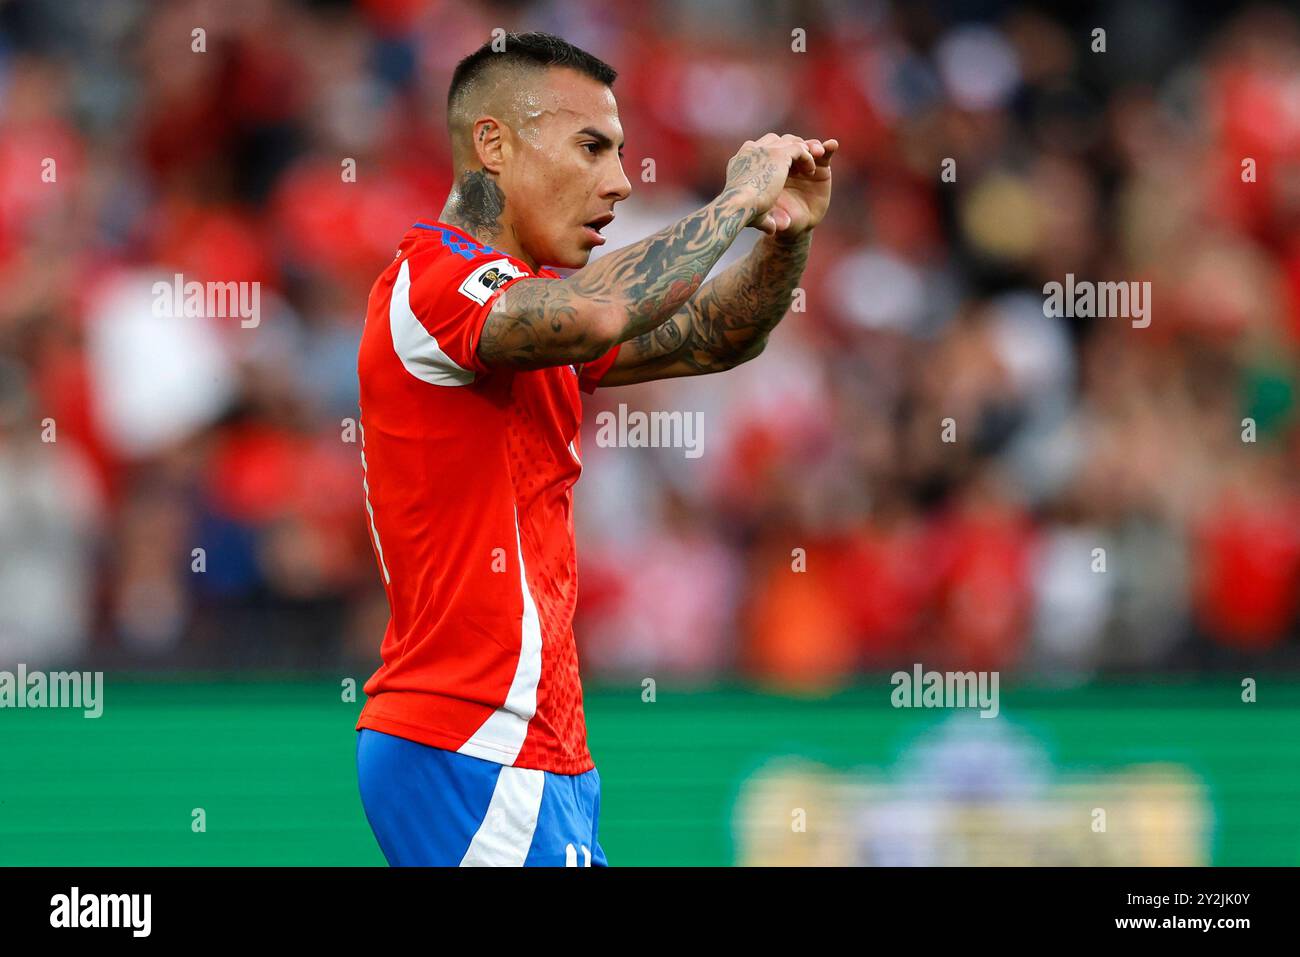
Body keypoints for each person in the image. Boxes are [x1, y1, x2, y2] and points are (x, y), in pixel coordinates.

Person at [354, 30, 837, 866]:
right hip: (468, 734)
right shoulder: (432, 279)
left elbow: (717, 336)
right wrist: (732, 202)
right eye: (591, 147)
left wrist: (783, 232)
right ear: (493, 144)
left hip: (540, 748)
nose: (618, 181)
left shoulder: (528, 309)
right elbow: (602, 313)